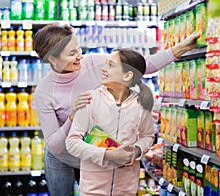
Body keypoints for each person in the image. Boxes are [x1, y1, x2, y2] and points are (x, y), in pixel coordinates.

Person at [33, 23, 199, 196]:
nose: (80, 56)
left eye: (79, 49)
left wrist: (182, 47)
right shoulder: (45, 91)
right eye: (71, 53)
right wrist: (73, 116)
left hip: (96, 144)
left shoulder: (93, 62)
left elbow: (141, 66)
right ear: (52, 59)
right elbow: (55, 144)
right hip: (63, 155)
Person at [66, 48, 156, 195]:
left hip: (126, 189)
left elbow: (148, 135)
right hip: (93, 191)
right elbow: (72, 143)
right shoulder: (89, 99)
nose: (103, 69)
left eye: (111, 65)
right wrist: (106, 155)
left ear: (127, 76)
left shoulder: (141, 104)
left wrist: (137, 150)